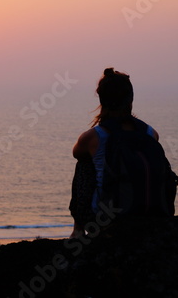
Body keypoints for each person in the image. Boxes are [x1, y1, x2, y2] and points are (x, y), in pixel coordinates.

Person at [69, 68, 162, 238]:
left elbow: (76, 153)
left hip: (106, 221)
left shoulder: (93, 137)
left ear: (101, 99)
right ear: (130, 99)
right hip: (153, 215)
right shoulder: (151, 133)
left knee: (83, 164)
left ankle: (78, 230)